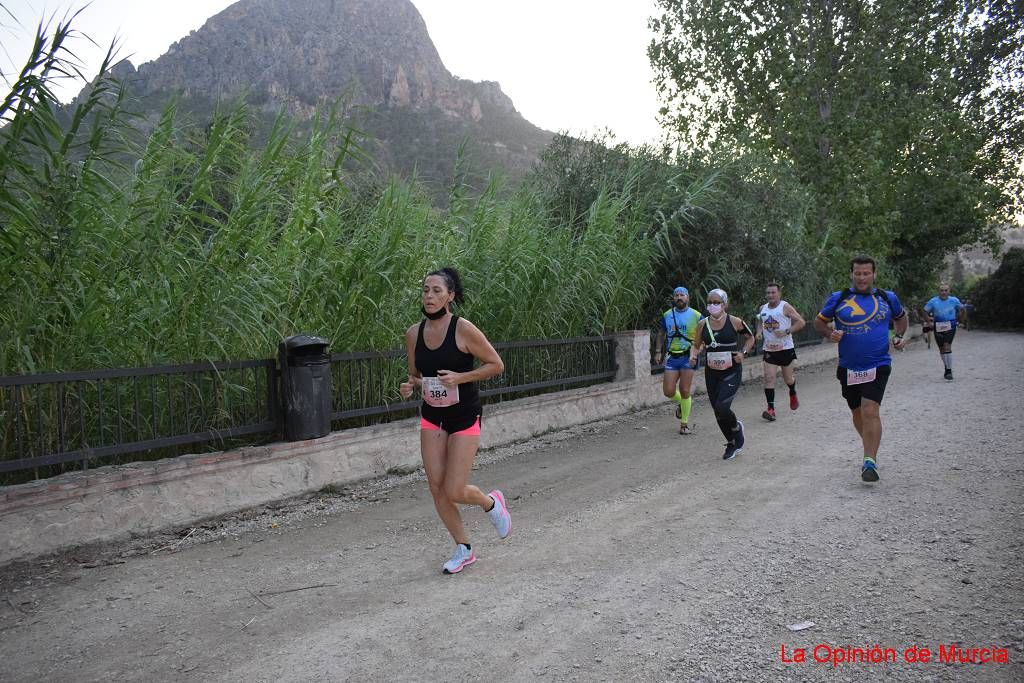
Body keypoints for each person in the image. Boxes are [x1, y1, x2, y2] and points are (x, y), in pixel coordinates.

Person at [399, 267, 510, 574]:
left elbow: (495, 364)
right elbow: (417, 375)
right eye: (425, 290)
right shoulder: (413, 334)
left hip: (463, 416)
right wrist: (411, 385)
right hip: (433, 417)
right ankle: (464, 547)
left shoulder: (463, 329)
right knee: (436, 487)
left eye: (436, 291)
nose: (430, 296)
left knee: (454, 489)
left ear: (450, 296)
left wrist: (462, 377)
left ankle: (490, 503)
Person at [814, 256, 908, 483]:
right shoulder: (840, 298)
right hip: (848, 367)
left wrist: (899, 336)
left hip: (878, 364)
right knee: (857, 412)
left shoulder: (887, 297)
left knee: (870, 410)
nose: (862, 277)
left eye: (866, 273)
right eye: (858, 273)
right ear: (851, 274)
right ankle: (869, 444)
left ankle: (869, 461)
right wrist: (830, 334)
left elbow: (901, 318)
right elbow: (819, 323)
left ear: (874, 274)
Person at [689, 288, 755, 460]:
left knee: (722, 407)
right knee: (717, 411)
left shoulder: (734, 321)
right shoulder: (702, 324)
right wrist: (693, 356)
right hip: (712, 372)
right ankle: (732, 443)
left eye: (716, 302)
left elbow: (751, 338)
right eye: (710, 302)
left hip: (731, 370)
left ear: (724, 304)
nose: (712, 305)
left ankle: (736, 430)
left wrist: (743, 353)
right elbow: (696, 345)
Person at [654, 286, 702, 434]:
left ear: (687, 297)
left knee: (685, 389)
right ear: (674, 298)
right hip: (672, 357)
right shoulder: (667, 314)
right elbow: (661, 333)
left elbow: (703, 336)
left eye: (682, 295)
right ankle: (683, 402)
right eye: (676, 295)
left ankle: (684, 424)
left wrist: (697, 352)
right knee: (668, 391)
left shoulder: (696, 315)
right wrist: (657, 351)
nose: (679, 297)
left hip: (688, 356)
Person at [754, 283, 806, 422]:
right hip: (769, 349)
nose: (770, 295)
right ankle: (771, 409)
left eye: (773, 292)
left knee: (788, 379)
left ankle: (792, 392)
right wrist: (759, 332)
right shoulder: (763, 308)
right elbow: (760, 321)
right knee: (769, 378)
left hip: (785, 349)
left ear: (779, 294)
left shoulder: (785, 307)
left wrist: (786, 331)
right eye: (768, 293)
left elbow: (801, 322)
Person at [924, 283, 965, 380]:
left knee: (947, 346)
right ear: (939, 291)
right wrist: (929, 321)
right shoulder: (933, 301)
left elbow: (962, 309)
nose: (944, 292)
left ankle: (949, 371)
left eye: (946, 290)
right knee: (942, 349)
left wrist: (961, 320)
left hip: (951, 325)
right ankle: (946, 367)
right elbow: (924, 311)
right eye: (942, 290)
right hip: (938, 326)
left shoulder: (954, 300)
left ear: (949, 291)